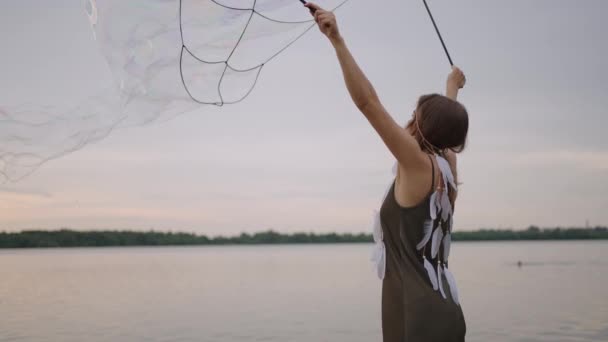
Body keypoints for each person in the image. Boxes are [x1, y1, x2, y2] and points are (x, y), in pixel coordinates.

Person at [305, 2, 468, 341]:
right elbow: (448, 137)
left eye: (415, 113)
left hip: (417, 318)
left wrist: (337, 41)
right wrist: (451, 87)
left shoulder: (416, 164)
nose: (409, 118)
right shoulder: (446, 171)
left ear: (420, 127)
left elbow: (368, 103)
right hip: (446, 313)